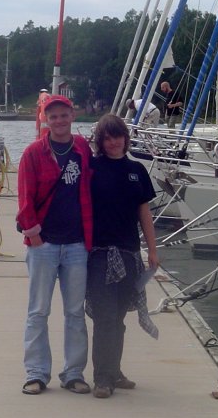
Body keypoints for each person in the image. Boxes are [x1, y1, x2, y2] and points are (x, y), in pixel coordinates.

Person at [17, 94, 93, 396]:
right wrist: (33, 234)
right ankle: (36, 373)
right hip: (44, 245)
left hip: (76, 244)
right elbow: (24, 197)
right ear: (45, 120)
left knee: (75, 312)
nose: (59, 121)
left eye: (63, 115)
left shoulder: (82, 148)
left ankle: (73, 373)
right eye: (53, 116)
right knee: (38, 311)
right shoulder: (33, 153)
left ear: (72, 116)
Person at [87, 114, 159, 399]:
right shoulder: (92, 168)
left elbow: (144, 213)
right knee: (104, 316)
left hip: (129, 253)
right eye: (107, 138)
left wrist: (152, 250)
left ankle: (114, 371)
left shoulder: (136, 170)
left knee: (118, 318)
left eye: (117, 136)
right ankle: (102, 379)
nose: (113, 142)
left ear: (125, 139)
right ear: (100, 141)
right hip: (99, 254)